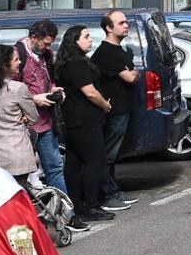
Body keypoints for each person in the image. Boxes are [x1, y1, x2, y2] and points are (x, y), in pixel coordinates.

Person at [55, 25, 114, 223]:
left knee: (74, 163)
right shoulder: (75, 64)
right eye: (87, 37)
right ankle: (91, 205)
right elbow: (90, 92)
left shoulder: (73, 61)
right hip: (83, 120)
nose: (91, 40)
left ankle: (78, 205)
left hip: (76, 120)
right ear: (75, 40)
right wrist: (105, 105)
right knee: (95, 160)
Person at [92, 11, 140, 212]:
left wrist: (132, 72)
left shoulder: (120, 50)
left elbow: (131, 74)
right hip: (114, 111)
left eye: (126, 22)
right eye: (121, 23)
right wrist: (133, 72)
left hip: (124, 109)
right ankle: (107, 195)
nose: (126, 25)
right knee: (108, 154)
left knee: (114, 154)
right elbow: (130, 77)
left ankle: (113, 190)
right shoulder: (106, 52)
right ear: (108, 28)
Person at [13, 20, 66, 193]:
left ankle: (66, 216)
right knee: (24, 175)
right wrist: (34, 99)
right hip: (24, 125)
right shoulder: (16, 55)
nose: (47, 48)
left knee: (55, 168)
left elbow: (49, 78)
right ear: (34, 38)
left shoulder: (47, 55)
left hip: (46, 121)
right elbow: (8, 90)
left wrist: (54, 90)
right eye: (45, 43)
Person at [0, 45, 46, 187]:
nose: (20, 62)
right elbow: (34, 117)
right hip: (16, 155)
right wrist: (23, 118)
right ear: (5, 65)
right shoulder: (17, 88)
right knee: (17, 200)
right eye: (16, 59)